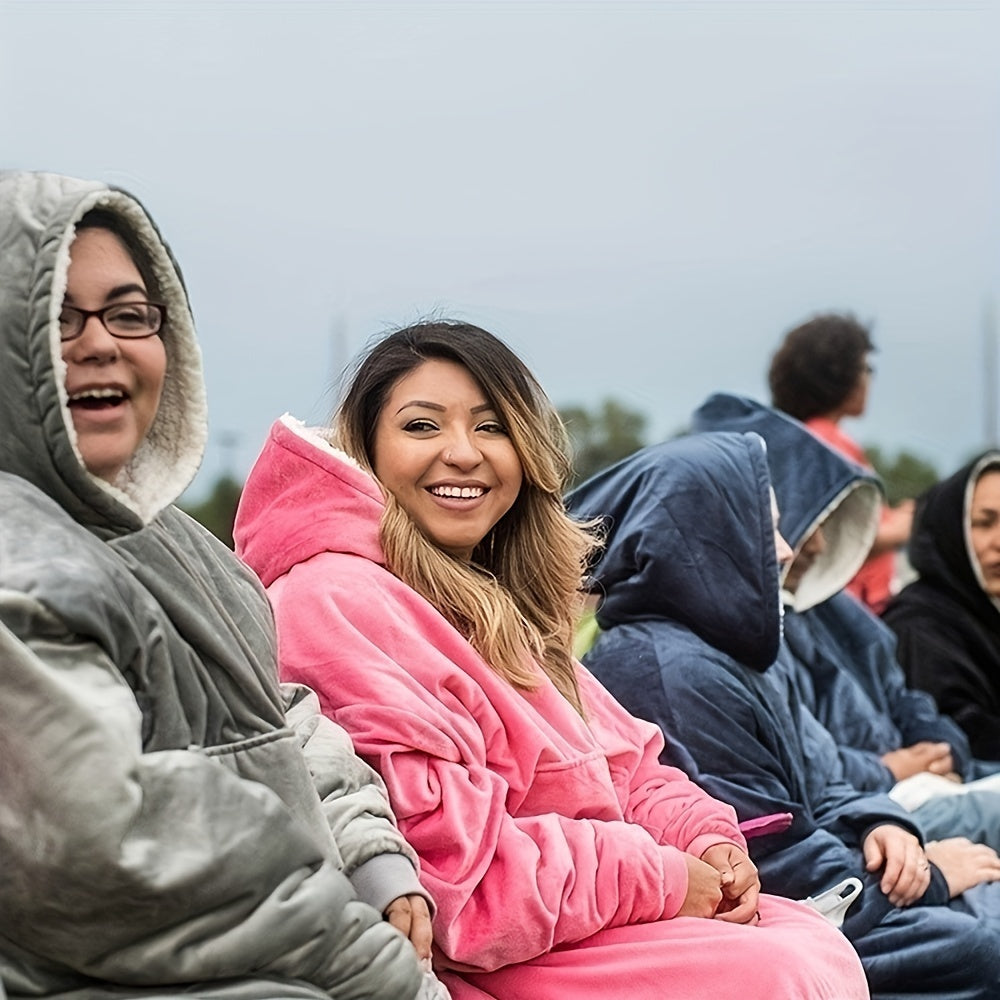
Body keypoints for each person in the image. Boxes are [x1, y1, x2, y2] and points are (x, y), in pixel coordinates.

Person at [234, 320, 870, 1000]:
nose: (462, 453)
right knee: (785, 974)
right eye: (422, 426)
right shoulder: (334, 600)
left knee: (816, 947)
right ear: (366, 450)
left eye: (491, 427)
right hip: (484, 961)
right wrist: (662, 876)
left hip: (589, 921)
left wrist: (709, 840)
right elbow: (457, 885)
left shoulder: (494, 599)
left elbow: (629, 767)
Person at [0, 170, 434, 1000]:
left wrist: (375, 856)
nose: (102, 343)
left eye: (131, 314)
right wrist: (373, 969)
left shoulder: (182, 544)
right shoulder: (19, 565)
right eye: (55, 315)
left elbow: (280, 715)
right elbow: (119, 858)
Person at [568, 431, 1000, 999]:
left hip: (845, 877)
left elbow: (825, 780)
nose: (788, 548)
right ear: (707, 539)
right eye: (764, 527)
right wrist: (931, 878)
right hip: (794, 915)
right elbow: (768, 854)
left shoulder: (740, 650)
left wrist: (880, 822)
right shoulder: (664, 669)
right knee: (984, 948)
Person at [692, 392, 1000, 836]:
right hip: (867, 817)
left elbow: (906, 699)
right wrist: (888, 770)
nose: (813, 545)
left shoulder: (837, 610)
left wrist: (944, 748)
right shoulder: (734, 640)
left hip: (915, 791)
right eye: (798, 523)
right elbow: (804, 775)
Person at [769, 311, 913, 613]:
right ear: (838, 375)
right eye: (866, 368)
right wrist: (905, 526)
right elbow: (839, 534)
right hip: (853, 601)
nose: (868, 380)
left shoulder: (807, 438)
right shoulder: (826, 443)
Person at [883, 453, 1000, 760]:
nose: (999, 540)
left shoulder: (988, 613)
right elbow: (956, 735)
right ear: (951, 530)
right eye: (984, 523)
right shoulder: (918, 624)